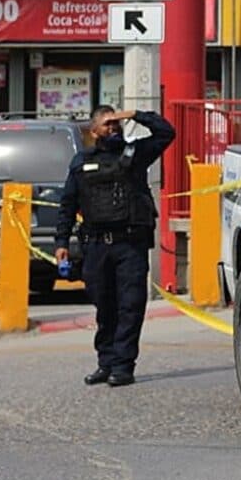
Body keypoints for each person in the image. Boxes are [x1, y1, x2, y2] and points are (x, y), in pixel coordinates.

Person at [55, 105, 175, 387]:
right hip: (96, 246)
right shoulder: (81, 162)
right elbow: (68, 204)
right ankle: (105, 362)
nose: (113, 128)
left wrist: (133, 114)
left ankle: (123, 365)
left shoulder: (134, 154)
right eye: (107, 124)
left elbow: (167, 131)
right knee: (104, 305)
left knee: (130, 305)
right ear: (94, 130)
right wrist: (61, 241)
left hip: (129, 244)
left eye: (115, 124)